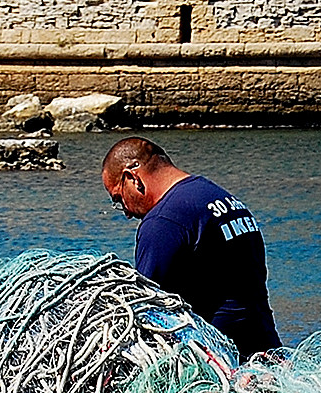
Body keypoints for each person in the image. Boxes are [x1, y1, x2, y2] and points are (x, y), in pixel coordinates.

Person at [101, 137, 282, 359]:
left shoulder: (163, 221)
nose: (126, 212)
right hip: (267, 348)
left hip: (220, 361)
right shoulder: (222, 198)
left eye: (119, 198)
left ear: (132, 178)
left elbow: (145, 308)